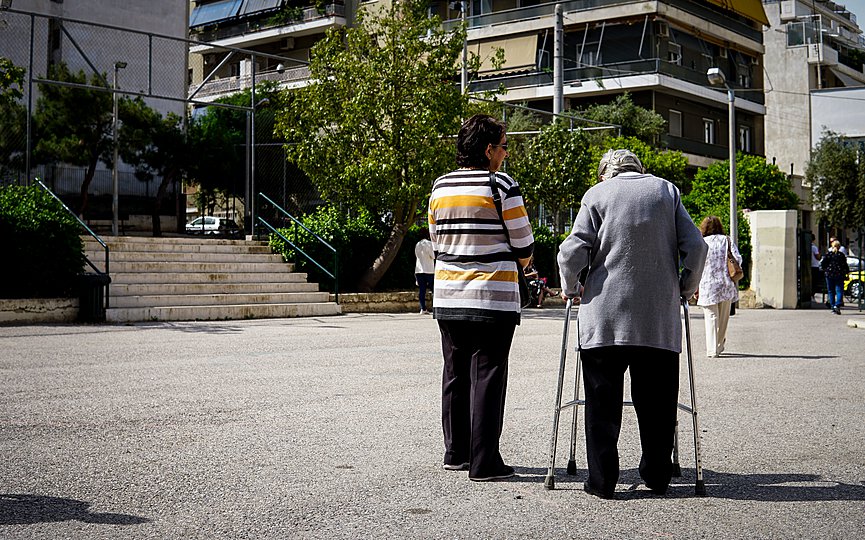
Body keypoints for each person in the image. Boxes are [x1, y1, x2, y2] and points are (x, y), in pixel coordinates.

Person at [557, 149, 707, 499]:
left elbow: (571, 252)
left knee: (601, 403)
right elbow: (696, 247)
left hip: (604, 318)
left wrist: (570, 287)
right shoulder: (666, 191)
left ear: (604, 173)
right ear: (640, 170)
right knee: (657, 403)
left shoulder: (597, 195)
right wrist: (684, 287)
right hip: (656, 318)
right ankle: (657, 475)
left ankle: (602, 481)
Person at [428, 114, 534, 482]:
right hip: (492, 295)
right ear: (489, 149)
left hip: (448, 293)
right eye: (504, 147)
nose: (506, 154)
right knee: (488, 374)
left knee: (454, 372)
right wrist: (523, 261)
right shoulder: (500, 184)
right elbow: (524, 243)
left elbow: (436, 239)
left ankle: (455, 452)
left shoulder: (440, 186)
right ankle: (484, 462)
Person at [695, 216, 742, 358]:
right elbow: (737, 258)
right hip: (725, 284)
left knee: (711, 317)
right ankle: (719, 345)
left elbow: (696, 263)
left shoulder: (701, 242)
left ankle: (712, 349)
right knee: (723, 318)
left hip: (707, 285)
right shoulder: (726, 240)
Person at [821, 240, 849, 315]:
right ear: (839, 247)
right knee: (839, 290)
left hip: (829, 274)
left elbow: (823, 264)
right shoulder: (841, 255)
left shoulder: (829, 254)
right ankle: (838, 304)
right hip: (839, 274)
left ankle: (833, 306)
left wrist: (825, 269)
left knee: (831, 291)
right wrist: (846, 272)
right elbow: (845, 265)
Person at [414, 229, 435, 314]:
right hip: (429, 270)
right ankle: (435, 307)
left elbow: (417, 256)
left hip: (419, 270)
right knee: (433, 290)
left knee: (422, 290)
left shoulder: (418, 244)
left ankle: (423, 308)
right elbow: (433, 256)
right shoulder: (429, 244)